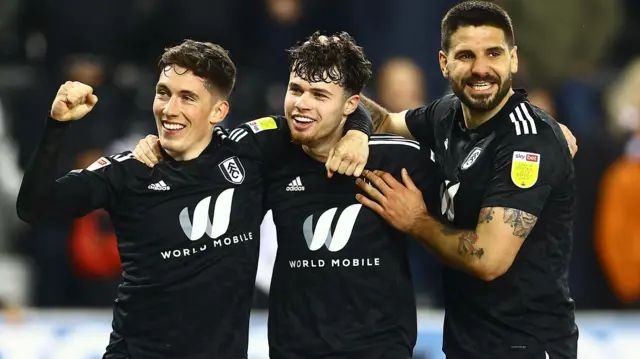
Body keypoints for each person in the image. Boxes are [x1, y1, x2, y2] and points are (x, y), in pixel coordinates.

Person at [16, 39, 369, 359]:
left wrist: (357, 134)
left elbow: (334, 109)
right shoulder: (129, 171)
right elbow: (34, 208)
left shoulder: (252, 149)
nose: (169, 108)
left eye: (187, 97)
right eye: (163, 92)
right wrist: (56, 124)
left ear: (218, 112)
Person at [135, 31, 440, 359]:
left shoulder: (402, 159)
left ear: (351, 104)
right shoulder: (269, 147)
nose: (302, 103)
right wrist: (161, 145)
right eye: (296, 89)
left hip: (379, 350)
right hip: (291, 349)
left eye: (319, 95)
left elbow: (468, 234)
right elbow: (204, 144)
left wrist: (420, 222)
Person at [355, 2, 579, 358]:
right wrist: (339, 92)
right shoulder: (447, 115)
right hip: (466, 340)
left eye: (494, 53)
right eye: (466, 55)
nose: (481, 69)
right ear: (444, 63)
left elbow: (488, 259)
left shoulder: (528, 140)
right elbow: (385, 122)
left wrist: (416, 221)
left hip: (527, 345)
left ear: (514, 60)